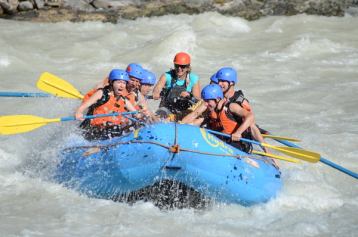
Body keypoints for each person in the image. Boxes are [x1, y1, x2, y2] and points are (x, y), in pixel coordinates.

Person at [182, 68, 268, 153]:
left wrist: (238, 133)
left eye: (222, 81)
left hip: (237, 140)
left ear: (231, 83)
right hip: (221, 137)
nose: (219, 84)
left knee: (251, 125)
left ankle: (268, 151)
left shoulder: (238, 103)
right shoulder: (213, 98)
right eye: (219, 81)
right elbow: (196, 114)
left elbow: (251, 122)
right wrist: (181, 125)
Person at [75, 69, 137, 140]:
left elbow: (135, 112)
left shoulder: (123, 99)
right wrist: (79, 112)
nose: (122, 86)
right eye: (119, 82)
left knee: (126, 127)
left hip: (108, 129)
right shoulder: (102, 93)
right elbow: (85, 105)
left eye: (124, 83)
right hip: (92, 129)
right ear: (111, 82)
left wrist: (140, 115)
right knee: (112, 130)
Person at [152, 52, 201, 120]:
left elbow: (198, 100)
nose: (179, 69)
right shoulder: (167, 76)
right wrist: (156, 93)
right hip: (166, 109)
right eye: (177, 65)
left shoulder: (193, 78)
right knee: (158, 116)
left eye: (183, 66)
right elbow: (157, 88)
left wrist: (189, 96)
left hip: (184, 112)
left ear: (188, 67)